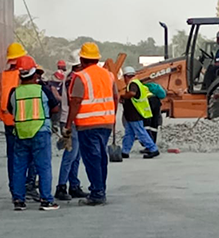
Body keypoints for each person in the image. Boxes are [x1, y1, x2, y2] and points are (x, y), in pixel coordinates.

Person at [64, 42, 118, 205]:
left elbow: (75, 102)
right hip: (106, 123)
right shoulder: (108, 75)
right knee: (101, 158)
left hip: (87, 124)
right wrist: (112, 117)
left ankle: (97, 193)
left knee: (92, 158)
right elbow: (115, 97)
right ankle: (100, 189)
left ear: (82, 59)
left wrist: (68, 124)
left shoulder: (81, 77)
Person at [8, 65, 61, 211]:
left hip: (20, 132)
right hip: (40, 131)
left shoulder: (14, 92)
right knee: (43, 167)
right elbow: (55, 108)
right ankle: (46, 200)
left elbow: (10, 109)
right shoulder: (42, 90)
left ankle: (18, 200)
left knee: (19, 168)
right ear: (34, 76)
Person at [54, 51, 88, 202]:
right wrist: (68, 124)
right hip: (71, 119)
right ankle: (61, 186)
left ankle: (74, 185)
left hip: (73, 119)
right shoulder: (74, 79)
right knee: (70, 155)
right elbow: (74, 102)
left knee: (76, 156)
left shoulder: (71, 77)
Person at [0, 42, 30, 199]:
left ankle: (14, 188)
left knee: (12, 156)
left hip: (8, 121)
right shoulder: (23, 76)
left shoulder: (2, 76)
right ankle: (27, 186)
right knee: (28, 156)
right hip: (23, 121)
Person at [120, 67, 160, 159]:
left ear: (126, 76)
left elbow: (132, 93)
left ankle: (153, 149)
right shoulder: (136, 83)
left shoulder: (133, 83)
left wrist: (123, 96)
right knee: (129, 133)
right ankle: (125, 151)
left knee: (140, 132)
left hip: (135, 114)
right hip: (131, 114)